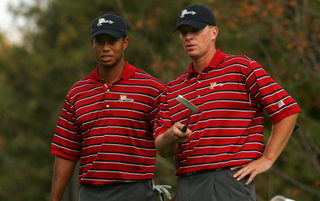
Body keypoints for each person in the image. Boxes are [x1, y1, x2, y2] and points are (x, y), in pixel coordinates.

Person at [154, 4, 300, 201]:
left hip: (229, 181)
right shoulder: (172, 89)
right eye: (183, 32)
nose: (188, 37)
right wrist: (171, 136)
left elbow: (287, 110)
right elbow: (163, 150)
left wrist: (267, 159)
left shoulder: (242, 68)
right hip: (187, 184)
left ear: (214, 32)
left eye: (195, 30)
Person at [50, 14, 166, 201]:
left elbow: (172, 141)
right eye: (99, 41)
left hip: (135, 191)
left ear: (125, 43)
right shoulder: (77, 92)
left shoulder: (151, 88)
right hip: (90, 193)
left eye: (113, 41)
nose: (105, 48)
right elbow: (66, 150)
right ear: (92, 44)